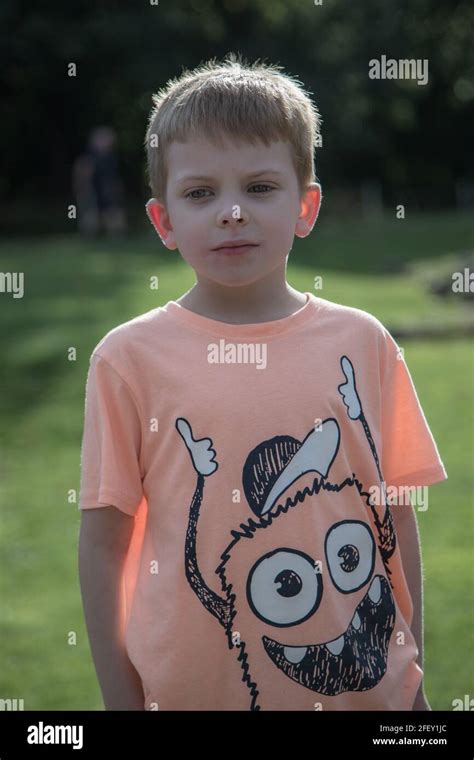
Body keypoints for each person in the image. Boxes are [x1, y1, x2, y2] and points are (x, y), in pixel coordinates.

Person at [78, 53, 448, 711]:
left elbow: (395, 517)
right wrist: (120, 701)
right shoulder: (126, 360)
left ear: (305, 206)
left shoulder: (365, 344)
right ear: (164, 221)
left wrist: (407, 671)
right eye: (200, 193)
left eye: (259, 187)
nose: (231, 213)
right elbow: (105, 547)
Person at [72, 126, 127, 237]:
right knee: (90, 221)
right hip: (93, 193)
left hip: (108, 193)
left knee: (114, 218)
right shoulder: (89, 158)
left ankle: (116, 240)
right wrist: (83, 193)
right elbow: (81, 177)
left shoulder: (112, 158)